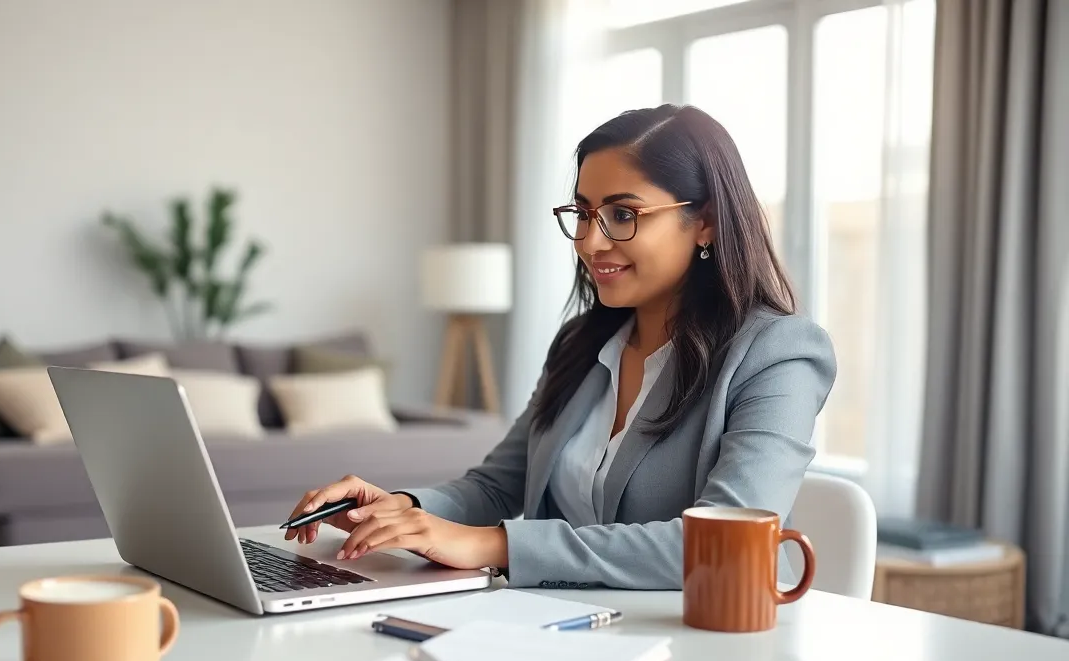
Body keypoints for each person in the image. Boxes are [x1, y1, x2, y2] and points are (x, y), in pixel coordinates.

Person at [283, 104, 837, 590]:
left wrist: (494, 547)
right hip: (563, 627)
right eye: (584, 214)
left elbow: (724, 543)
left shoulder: (778, 354)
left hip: (706, 647)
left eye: (623, 215)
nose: (590, 242)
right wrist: (401, 510)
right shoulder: (582, 343)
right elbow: (497, 486)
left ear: (706, 223)